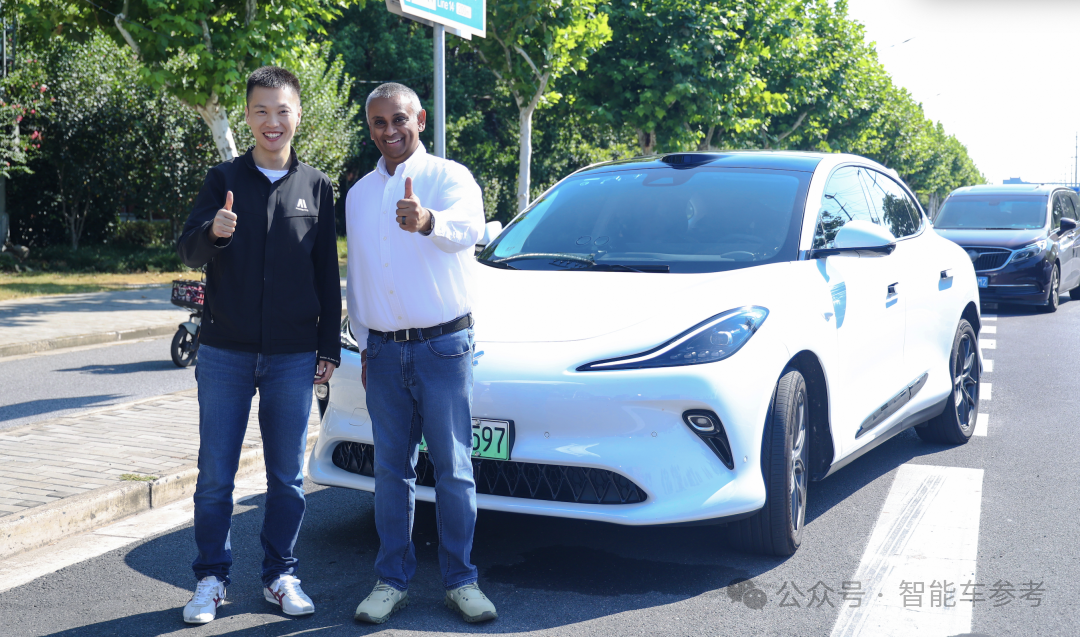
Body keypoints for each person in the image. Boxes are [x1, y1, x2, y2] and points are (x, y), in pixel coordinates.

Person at [175, 66, 341, 625]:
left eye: (282, 110)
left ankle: (280, 575)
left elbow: (327, 275)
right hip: (225, 352)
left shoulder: (317, 186)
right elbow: (189, 251)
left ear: (298, 115)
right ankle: (210, 579)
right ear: (247, 116)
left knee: (287, 478)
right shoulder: (222, 178)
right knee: (215, 476)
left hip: (293, 356)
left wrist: (328, 347)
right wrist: (213, 232)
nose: (273, 121)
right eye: (262, 111)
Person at [346, 83, 496, 624]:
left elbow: (471, 231)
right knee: (391, 472)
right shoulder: (359, 194)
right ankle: (392, 580)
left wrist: (429, 221)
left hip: (443, 347)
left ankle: (461, 580)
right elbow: (359, 274)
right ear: (370, 127)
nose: (390, 131)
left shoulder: (450, 177)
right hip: (384, 352)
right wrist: (365, 343)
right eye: (379, 122)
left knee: (454, 468)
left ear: (421, 119)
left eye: (399, 119)